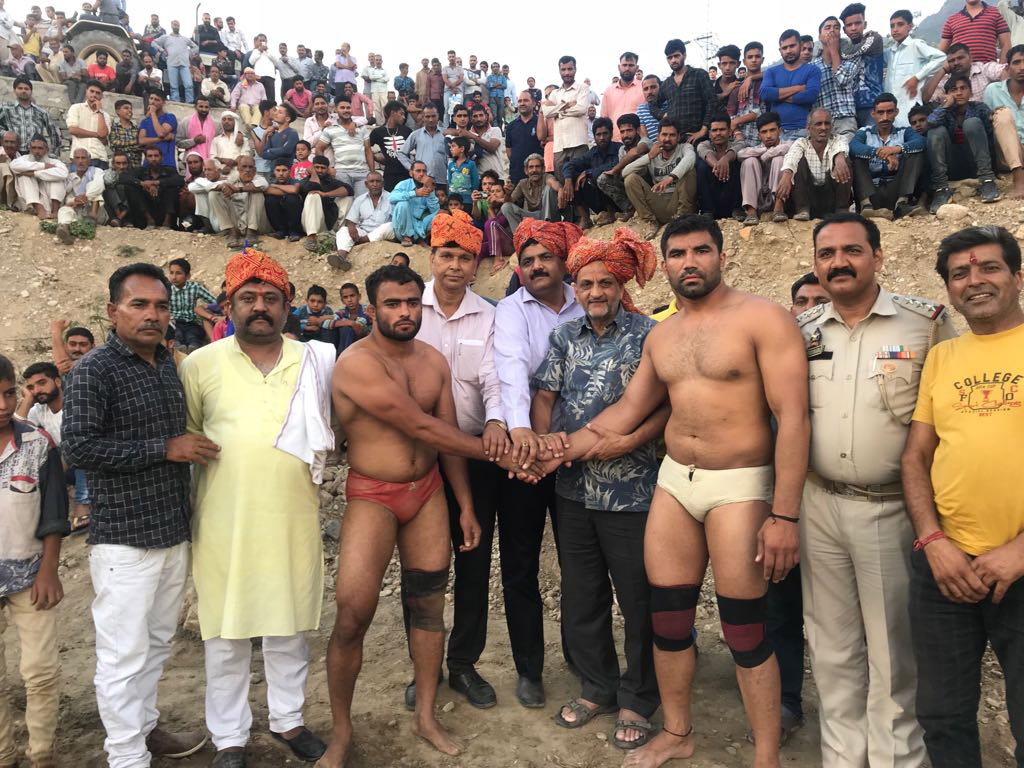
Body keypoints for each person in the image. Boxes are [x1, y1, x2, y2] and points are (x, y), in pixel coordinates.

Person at [530, 213, 808, 768]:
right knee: (669, 619)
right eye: (677, 254)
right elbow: (626, 411)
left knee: (744, 628)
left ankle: (766, 755)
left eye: (700, 251)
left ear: (721, 255)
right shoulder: (664, 334)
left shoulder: (764, 319)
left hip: (739, 484)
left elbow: (795, 419)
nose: (689, 263)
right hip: (677, 481)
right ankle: (678, 732)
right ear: (665, 266)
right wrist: (553, 452)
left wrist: (785, 516)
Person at [320, 262, 524, 768]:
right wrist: (504, 455)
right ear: (372, 310)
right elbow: (419, 426)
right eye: (392, 304)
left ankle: (427, 717)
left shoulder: (433, 361)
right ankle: (341, 733)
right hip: (373, 492)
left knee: (431, 607)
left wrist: (467, 505)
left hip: (428, 493)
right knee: (353, 612)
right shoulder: (357, 363)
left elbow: (446, 436)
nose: (405, 312)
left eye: (412, 302)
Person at [798, 212, 954, 768]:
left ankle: (896, 759)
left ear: (878, 257)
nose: (839, 262)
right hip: (818, 504)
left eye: (852, 250)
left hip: (890, 509)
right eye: (827, 254)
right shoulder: (803, 330)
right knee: (831, 645)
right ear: (816, 263)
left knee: (893, 649)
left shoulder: (925, 324)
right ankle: (843, 757)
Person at [179, 250, 330, 768]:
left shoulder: (316, 361)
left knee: (289, 627)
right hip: (224, 520)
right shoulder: (200, 364)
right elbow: (191, 437)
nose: (259, 306)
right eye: (248, 298)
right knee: (226, 631)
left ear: (287, 306)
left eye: (270, 298)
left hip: (293, 516)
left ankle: (289, 720)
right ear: (229, 305)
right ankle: (229, 737)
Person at [62, 263, 215, 768]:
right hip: (124, 540)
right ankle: (126, 756)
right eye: (139, 304)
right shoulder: (94, 370)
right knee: (122, 655)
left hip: (170, 530)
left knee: (155, 644)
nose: (153, 315)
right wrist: (164, 449)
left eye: (161, 306)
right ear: (113, 311)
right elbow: (79, 447)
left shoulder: (167, 364)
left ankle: (145, 730)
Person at [532, 228, 662, 750]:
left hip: (632, 491)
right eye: (585, 284)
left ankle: (639, 697)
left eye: (605, 282)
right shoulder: (564, 337)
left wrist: (630, 439)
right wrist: (542, 441)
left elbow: (665, 406)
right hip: (573, 490)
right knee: (583, 595)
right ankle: (597, 687)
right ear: (576, 288)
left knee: (638, 598)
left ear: (621, 284)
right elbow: (545, 394)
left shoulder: (649, 335)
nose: (595, 292)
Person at [901, 224, 1024, 768]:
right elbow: (915, 457)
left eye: (989, 267)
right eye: (959, 274)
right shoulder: (943, 357)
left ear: (1018, 276)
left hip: (1020, 565)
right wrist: (933, 541)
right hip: (946, 566)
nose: (974, 281)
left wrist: (1020, 551)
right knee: (942, 715)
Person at [399, 213, 505, 710]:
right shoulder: (406, 309)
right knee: (420, 568)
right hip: (417, 456)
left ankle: (463, 663)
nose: (456, 266)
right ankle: (423, 667)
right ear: (432, 258)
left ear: (476, 265)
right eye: (447, 255)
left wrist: (497, 422)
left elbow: (494, 378)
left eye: (466, 257)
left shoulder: (489, 315)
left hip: (474, 453)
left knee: (473, 560)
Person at [493, 219, 586, 708]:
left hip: (581, 455)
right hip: (526, 456)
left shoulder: (588, 298)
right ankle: (529, 669)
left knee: (580, 564)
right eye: (527, 261)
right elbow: (510, 369)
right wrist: (522, 432)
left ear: (563, 261)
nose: (535, 267)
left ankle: (583, 658)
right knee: (520, 563)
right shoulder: (510, 310)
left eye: (545, 257)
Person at [0, 353, 68, 768]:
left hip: (30, 575)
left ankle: (42, 755)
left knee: (40, 672)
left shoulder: (37, 443)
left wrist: (49, 569)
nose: (3, 405)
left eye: (9, 394)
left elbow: (54, 511)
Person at [926, 73, 999, 211]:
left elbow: (990, 135)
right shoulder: (945, 112)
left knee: (971, 123)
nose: (959, 93)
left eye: (963, 88)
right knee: (935, 132)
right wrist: (945, 105)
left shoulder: (979, 107)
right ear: (947, 94)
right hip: (952, 164)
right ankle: (941, 189)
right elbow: (930, 122)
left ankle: (987, 180)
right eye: (954, 90)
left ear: (970, 92)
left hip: (976, 162)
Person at [849, 92, 927, 219]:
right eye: (880, 112)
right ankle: (866, 206)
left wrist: (895, 149)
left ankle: (902, 204)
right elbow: (853, 146)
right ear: (873, 114)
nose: (885, 117)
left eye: (889, 112)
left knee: (915, 152)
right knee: (857, 157)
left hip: (896, 190)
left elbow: (921, 142)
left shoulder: (904, 131)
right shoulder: (865, 132)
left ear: (896, 112)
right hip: (871, 191)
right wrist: (880, 153)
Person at [623, 119, 697, 237]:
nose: (667, 139)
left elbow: (691, 158)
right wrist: (649, 156)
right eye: (664, 135)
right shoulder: (653, 153)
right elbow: (625, 172)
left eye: (672, 135)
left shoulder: (684, 148)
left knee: (690, 171)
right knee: (630, 179)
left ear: (678, 137)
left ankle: (680, 221)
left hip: (678, 200)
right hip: (658, 202)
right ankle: (650, 222)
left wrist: (671, 177)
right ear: (658, 137)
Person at [775, 108, 853, 221]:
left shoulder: (838, 139)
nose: (823, 128)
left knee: (845, 161)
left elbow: (841, 147)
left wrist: (840, 158)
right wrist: (787, 175)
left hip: (831, 198)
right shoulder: (801, 143)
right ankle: (802, 210)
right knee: (798, 162)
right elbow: (791, 157)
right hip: (809, 198)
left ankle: (841, 209)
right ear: (808, 128)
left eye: (827, 123)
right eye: (818, 124)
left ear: (831, 126)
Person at [885, 10, 947, 126]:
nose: (895, 29)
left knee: (911, 133)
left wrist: (917, 78)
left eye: (900, 24)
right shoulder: (890, 52)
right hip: (891, 108)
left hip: (910, 106)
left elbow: (940, 57)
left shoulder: (916, 45)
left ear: (910, 26)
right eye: (892, 26)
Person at [761, 30, 822, 140]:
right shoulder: (771, 72)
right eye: (784, 48)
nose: (788, 51)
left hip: (802, 130)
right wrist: (798, 88)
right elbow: (765, 94)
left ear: (800, 45)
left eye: (792, 46)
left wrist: (777, 96)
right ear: (780, 51)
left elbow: (810, 96)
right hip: (776, 133)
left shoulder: (813, 70)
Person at [542, 56, 591, 181]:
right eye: (563, 69)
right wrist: (568, 105)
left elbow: (581, 109)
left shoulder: (583, 88)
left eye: (570, 69)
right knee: (561, 182)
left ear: (575, 69)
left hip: (578, 142)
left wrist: (558, 112)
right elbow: (546, 112)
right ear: (559, 71)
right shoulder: (555, 93)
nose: (567, 73)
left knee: (580, 183)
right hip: (559, 146)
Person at [984, 42, 1024, 197]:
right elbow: (986, 123)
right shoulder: (993, 90)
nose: (1022, 67)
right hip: (1005, 154)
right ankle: (1019, 180)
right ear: (1007, 68)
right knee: (1002, 113)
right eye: (1016, 62)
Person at [333, 170, 393, 270]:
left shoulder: (391, 198)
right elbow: (351, 220)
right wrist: (351, 227)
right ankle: (341, 257)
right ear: (366, 184)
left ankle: (359, 241)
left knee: (389, 226)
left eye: (378, 181)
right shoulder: (360, 199)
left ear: (383, 184)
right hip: (364, 231)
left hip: (384, 232)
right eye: (371, 181)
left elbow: (396, 221)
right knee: (343, 230)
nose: (375, 184)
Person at [315, 96, 373, 197]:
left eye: (348, 108)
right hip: (341, 173)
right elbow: (319, 149)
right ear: (336, 110)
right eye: (342, 108)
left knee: (362, 202)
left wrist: (372, 172)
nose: (346, 110)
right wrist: (328, 168)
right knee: (343, 204)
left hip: (362, 172)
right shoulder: (330, 129)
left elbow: (368, 150)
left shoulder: (361, 128)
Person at [659, 39, 714, 144]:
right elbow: (653, 104)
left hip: (698, 138)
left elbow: (712, 102)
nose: (673, 60)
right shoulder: (666, 84)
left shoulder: (699, 74)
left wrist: (704, 130)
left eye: (676, 56)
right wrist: (662, 115)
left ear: (684, 55)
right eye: (670, 57)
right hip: (674, 141)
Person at [839, 3, 885, 127]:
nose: (853, 28)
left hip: (873, 104)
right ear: (844, 29)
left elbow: (849, 52)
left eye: (858, 23)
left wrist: (837, 47)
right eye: (849, 25)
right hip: (850, 108)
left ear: (865, 24)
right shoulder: (844, 46)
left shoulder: (874, 38)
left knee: (873, 138)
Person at [209, 154, 270, 248]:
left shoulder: (259, 178)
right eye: (244, 167)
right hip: (238, 224)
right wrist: (223, 187)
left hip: (257, 226)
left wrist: (238, 189)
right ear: (238, 168)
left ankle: (251, 233)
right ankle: (232, 232)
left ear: (255, 170)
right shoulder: (233, 178)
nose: (247, 170)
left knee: (257, 192)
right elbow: (211, 186)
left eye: (250, 167)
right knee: (214, 194)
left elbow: (263, 185)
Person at [813, 16, 860, 138]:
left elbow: (842, 79)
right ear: (819, 36)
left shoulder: (851, 58)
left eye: (836, 28)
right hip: (822, 123)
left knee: (844, 149)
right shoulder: (813, 66)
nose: (832, 30)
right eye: (827, 28)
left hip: (845, 119)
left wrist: (833, 51)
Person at [121, 145, 183, 229]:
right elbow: (123, 177)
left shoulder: (169, 170)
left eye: (156, 156)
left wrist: (157, 183)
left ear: (161, 158)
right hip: (146, 212)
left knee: (173, 188)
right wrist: (143, 184)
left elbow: (180, 180)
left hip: (164, 210)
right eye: (150, 156)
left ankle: (167, 222)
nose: (153, 159)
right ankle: (149, 220)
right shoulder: (140, 171)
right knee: (132, 188)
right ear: (146, 158)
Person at [923, 42, 1006, 105]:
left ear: (970, 58)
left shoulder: (984, 69)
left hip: (985, 117)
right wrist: (943, 69)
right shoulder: (946, 81)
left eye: (960, 58)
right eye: (951, 60)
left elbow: (1006, 72)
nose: (956, 63)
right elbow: (925, 98)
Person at [299, 155, 353, 251]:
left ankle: (338, 234)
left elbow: (349, 189)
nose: (320, 170)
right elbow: (313, 187)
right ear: (312, 167)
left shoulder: (330, 181)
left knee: (348, 199)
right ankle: (311, 238)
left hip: (326, 223)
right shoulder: (305, 181)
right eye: (317, 167)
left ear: (327, 169)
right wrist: (313, 174)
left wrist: (325, 194)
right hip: (309, 224)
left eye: (323, 168)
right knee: (313, 195)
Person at [695, 114, 744, 220]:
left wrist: (726, 159)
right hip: (712, 200)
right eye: (714, 130)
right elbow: (706, 153)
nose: (718, 133)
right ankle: (707, 211)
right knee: (702, 166)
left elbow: (740, 146)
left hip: (732, 199)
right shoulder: (703, 144)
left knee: (739, 161)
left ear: (730, 132)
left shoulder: (737, 143)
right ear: (709, 134)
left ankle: (737, 209)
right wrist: (719, 165)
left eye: (722, 129)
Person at [10, 134, 67, 219]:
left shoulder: (54, 162)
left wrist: (34, 173)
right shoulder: (24, 159)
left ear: (46, 150)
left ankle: (55, 211)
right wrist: (43, 166)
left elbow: (63, 173)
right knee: (24, 177)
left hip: (48, 201)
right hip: (30, 203)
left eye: (40, 148)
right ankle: (39, 208)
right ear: (30, 149)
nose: (36, 151)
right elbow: (13, 166)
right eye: (34, 148)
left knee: (57, 178)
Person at [167, 256, 217, 352]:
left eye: (178, 273)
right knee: (176, 334)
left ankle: (193, 350)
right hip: (174, 322)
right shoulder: (167, 289)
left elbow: (214, 302)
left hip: (192, 322)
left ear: (188, 276)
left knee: (193, 335)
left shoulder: (195, 287)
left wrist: (207, 308)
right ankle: (178, 350)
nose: (174, 277)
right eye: (171, 273)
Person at [0, 76, 61, 153]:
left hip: (35, 153)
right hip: (12, 152)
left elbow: (54, 133)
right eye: (20, 88)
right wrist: (6, 134)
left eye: (26, 89)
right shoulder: (6, 109)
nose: (23, 91)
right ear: (14, 90)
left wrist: (54, 153)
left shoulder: (41, 111)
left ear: (31, 91)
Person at [502, 153, 560, 231]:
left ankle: (546, 228)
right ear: (526, 171)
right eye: (531, 167)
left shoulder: (547, 177)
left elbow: (553, 182)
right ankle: (520, 236)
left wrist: (560, 189)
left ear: (543, 169)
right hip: (533, 217)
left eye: (537, 166)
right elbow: (509, 202)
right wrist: (508, 194)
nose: (534, 170)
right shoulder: (523, 183)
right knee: (506, 207)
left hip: (549, 217)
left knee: (548, 188)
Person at [941, 0, 1012, 63]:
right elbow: (941, 53)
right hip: (960, 69)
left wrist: (1001, 68)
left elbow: (1006, 44)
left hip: (987, 69)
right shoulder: (951, 20)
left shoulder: (995, 13)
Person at [390, 160, 440, 246]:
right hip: (402, 229)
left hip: (419, 227)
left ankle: (419, 238)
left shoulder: (427, 186)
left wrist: (430, 189)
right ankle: (408, 237)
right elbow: (391, 197)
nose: (421, 174)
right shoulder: (404, 184)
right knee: (402, 204)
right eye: (418, 171)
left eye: (424, 171)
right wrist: (414, 193)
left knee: (441, 214)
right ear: (411, 173)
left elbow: (435, 210)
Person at [399, 103, 447, 186]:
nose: (431, 119)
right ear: (423, 117)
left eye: (433, 116)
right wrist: (412, 168)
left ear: (438, 116)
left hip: (442, 179)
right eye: (427, 117)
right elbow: (401, 153)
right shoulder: (416, 134)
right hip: (421, 180)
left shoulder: (445, 133)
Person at [602, 52, 645, 142]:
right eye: (624, 65)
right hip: (614, 142)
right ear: (619, 67)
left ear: (637, 68)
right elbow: (604, 120)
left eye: (631, 65)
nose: (627, 68)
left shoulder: (644, 88)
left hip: (639, 143)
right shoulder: (608, 91)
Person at [369, 101, 411, 191]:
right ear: (392, 113)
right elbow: (366, 148)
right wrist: (375, 157)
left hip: (407, 173)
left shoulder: (407, 131)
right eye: (401, 114)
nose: (404, 117)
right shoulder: (378, 132)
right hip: (390, 175)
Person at [153, 20, 198, 103]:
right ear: (171, 26)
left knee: (189, 85)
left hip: (184, 64)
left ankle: (190, 101)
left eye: (177, 25)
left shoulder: (185, 39)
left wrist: (189, 53)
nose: (176, 26)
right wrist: (162, 50)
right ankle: (175, 101)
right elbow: (153, 43)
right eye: (174, 25)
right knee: (174, 86)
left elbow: (196, 47)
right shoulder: (166, 37)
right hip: (172, 63)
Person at [730, 42, 767, 143]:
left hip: (763, 140)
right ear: (744, 61)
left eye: (757, 56)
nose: (754, 60)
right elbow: (730, 113)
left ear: (762, 59)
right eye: (750, 57)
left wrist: (751, 78)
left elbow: (760, 112)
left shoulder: (768, 83)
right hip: (739, 140)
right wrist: (736, 132)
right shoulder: (737, 87)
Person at [506, 91, 545, 185]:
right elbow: (509, 152)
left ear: (534, 103)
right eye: (520, 101)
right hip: (516, 176)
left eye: (526, 100)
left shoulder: (541, 123)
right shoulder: (511, 126)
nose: (522, 103)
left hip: (537, 176)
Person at [262, 158, 303, 241]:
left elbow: (294, 190)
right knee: (270, 200)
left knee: (291, 199)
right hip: (280, 217)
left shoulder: (295, 181)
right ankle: (280, 231)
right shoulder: (270, 182)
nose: (281, 173)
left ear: (289, 171)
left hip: (295, 219)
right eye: (278, 170)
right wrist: (287, 190)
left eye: (284, 170)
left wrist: (276, 186)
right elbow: (268, 190)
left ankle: (294, 232)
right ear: (274, 171)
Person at [323, 282, 371, 353]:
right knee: (330, 330)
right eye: (345, 297)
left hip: (364, 343)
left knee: (347, 329)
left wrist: (347, 323)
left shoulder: (366, 309)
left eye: (352, 296)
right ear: (342, 301)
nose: (349, 300)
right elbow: (325, 323)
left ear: (359, 296)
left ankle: (344, 355)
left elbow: (359, 324)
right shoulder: (342, 312)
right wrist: (348, 322)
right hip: (346, 344)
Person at [138, 90, 177, 169]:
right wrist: (161, 139)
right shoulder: (145, 121)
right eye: (151, 98)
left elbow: (161, 133)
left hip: (166, 163)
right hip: (148, 164)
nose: (152, 102)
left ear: (163, 102)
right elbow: (142, 140)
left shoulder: (170, 117)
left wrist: (153, 113)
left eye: (156, 100)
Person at [713, 45, 742, 112]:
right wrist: (723, 94)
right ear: (719, 65)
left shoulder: (742, 85)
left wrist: (751, 78)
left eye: (732, 63)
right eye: (724, 63)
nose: (727, 68)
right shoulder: (710, 86)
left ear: (738, 64)